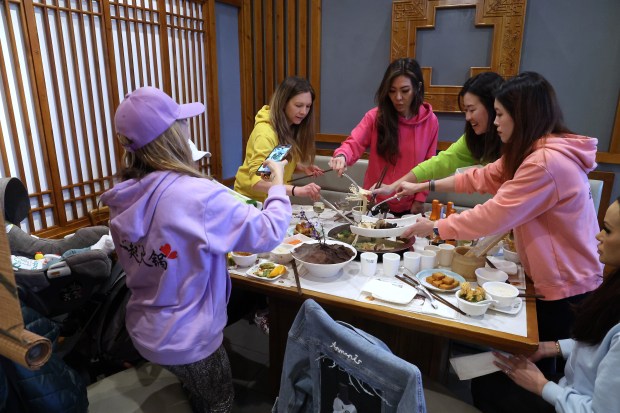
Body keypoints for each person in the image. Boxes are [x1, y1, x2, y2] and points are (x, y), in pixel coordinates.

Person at [100, 86, 291, 412]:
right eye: (182, 123)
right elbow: (269, 232)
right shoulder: (197, 195)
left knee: (195, 387)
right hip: (189, 340)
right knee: (219, 403)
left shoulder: (122, 195)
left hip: (143, 330)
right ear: (174, 136)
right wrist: (276, 187)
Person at [398, 72, 603, 343]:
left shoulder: (545, 163)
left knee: (543, 362)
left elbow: (496, 213)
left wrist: (436, 225)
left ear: (522, 115)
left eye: (500, 114)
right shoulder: (533, 153)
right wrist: (424, 185)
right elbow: (481, 176)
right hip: (560, 277)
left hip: (568, 283)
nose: (495, 122)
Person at [471, 196, 620, 413]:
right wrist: (550, 347)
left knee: (488, 387)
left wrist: (542, 386)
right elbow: (598, 346)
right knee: (490, 377)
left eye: (607, 230)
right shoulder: (613, 286)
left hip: (575, 401)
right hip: (572, 387)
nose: (598, 236)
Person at [328, 58, 439, 215]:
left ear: (417, 88)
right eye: (392, 91)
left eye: (405, 90)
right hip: (373, 202)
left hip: (407, 204)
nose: (398, 97)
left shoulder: (430, 121)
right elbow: (354, 142)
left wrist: (420, 198)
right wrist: (342, 156)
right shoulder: (375, 117)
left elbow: (430, 164)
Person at [372, 72, 504, 197]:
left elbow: (475, 180)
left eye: (472, 109)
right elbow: (440, 162)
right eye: (466, 110)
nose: (468, 117)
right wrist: (393, 186)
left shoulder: (516, 147)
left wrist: (420, 188)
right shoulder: (474, 139)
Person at [234, 76, 322, 203]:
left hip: (271, 199)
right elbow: (258, 181)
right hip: (250, 202)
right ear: (283, 102)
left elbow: (273, 165)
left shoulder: (290, 127)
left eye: (308, 106)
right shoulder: (265, 133)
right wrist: (297, 190)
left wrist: (300, 168)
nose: (304, 112)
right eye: (298, 105)